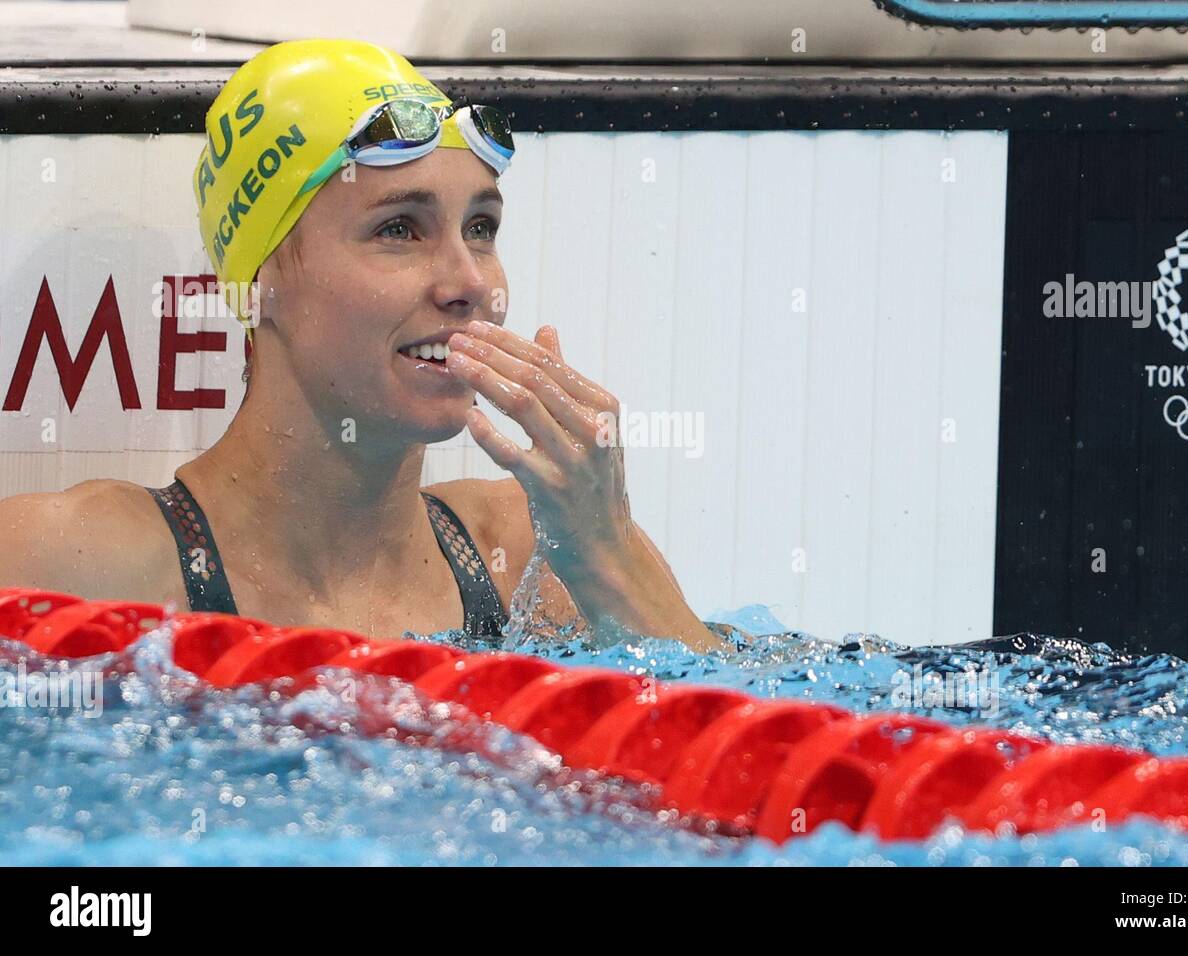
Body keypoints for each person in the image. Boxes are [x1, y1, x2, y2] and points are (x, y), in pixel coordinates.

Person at [0, 39, 723, 652]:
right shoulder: (74, 565)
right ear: (261, 284)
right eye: (399, 229)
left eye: (480, 228)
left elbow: (739, 750)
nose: (470, 283)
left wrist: (608, 557)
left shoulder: (534, 553)